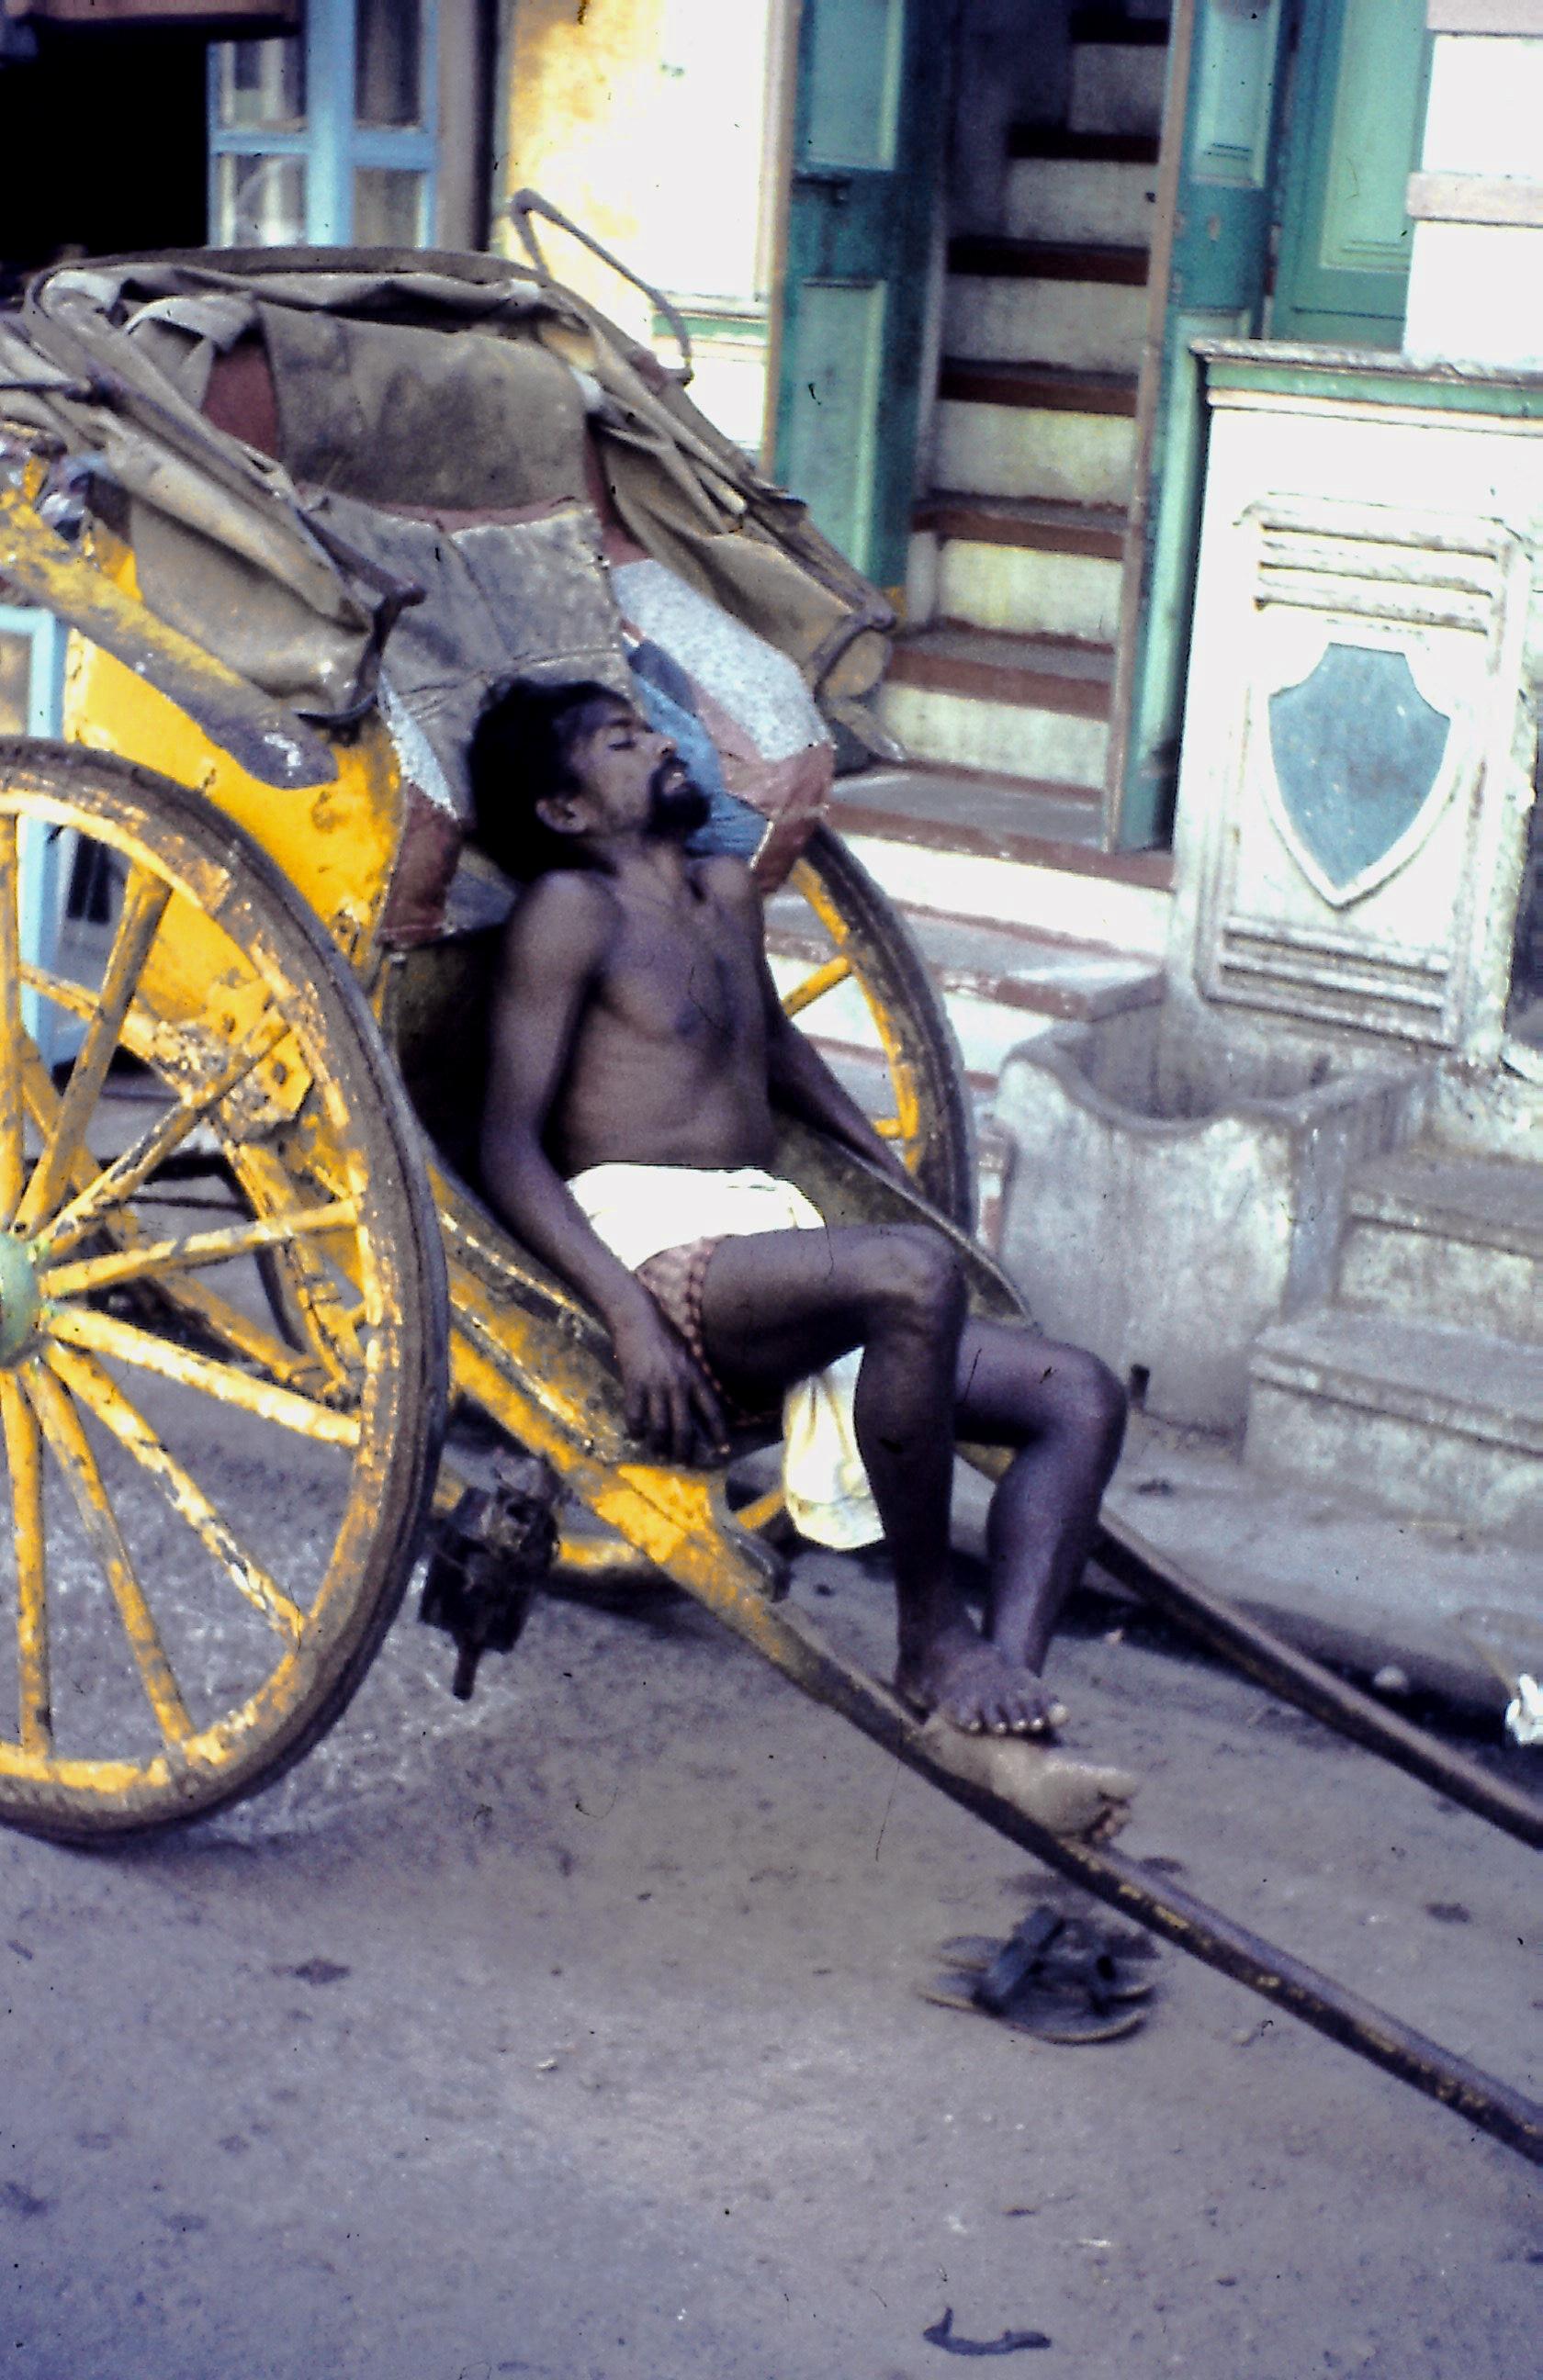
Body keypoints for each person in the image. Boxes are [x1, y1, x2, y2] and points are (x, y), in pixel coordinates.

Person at [472, 679, 1127, 1738]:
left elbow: (772, 1052)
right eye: (623, 742)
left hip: (762, 1231)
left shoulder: (722, 892)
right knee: (910, 1278)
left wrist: (891, 1173)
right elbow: (507, 1144)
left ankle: (1006, 1681)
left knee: (1081, 1395)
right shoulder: (571, 915)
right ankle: (931, 1638)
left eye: (652, 726)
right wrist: (629, 1320)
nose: (661, 745)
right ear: (566, 813)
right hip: (655, 1243)